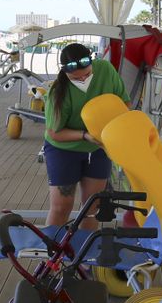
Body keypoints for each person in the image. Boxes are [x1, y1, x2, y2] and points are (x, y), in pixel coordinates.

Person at [43, 43, 127, 229]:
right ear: (65, 73)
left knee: (92, 206)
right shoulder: (58, 92)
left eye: (87, 74)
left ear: (92, 63)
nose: (82, 78)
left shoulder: (105, 69)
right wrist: (85, 135)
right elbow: (54, 132)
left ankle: (83, 253)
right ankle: (52, 254)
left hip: (98, 148)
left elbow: (124, 102)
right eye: (76, 77)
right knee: (61, 206)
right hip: (63, 149)